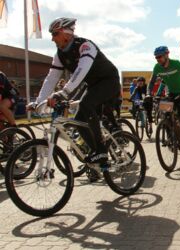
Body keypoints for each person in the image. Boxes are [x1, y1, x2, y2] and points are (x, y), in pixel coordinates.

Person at [27, 17, 120, 167]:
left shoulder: (85, 46)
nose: (52, 39)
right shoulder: (60, 54)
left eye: (55, 34)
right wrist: (38, 101)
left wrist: (63, 93)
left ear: (66, 33)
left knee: (85, 105)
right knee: (78, 119)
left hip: (109, 81)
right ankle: (96, 152)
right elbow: (51, 78)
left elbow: (81, 71)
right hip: (93, 85)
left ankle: (101, 150)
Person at [146, 46, 180, 144]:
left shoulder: (176, 63)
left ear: (166, 55)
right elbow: (151, 83)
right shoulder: (157, 67)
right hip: (172, 93)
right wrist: (148, 94)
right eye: (156, 57)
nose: (158, 59)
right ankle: (170, 139)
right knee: (165, 114)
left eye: (159, 56)